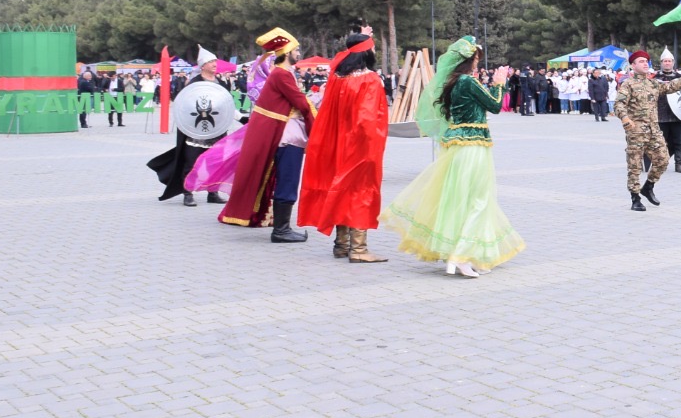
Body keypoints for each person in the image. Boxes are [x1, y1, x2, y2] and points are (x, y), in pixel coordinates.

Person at [382, 36, 524, 277]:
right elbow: (495, 105)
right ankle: (461, 255)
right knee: (478, 200)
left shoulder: (452, 82)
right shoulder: (468, 81)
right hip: (472, 147)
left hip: (459, 146)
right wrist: (500, 84)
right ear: (469, 60)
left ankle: (468, 254)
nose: (478, 62)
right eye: (476, 58)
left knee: (462, 200)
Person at [297, 28, 390, 263]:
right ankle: (359, 249)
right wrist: (373, 150)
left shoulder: (337, 78)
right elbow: (367, 120)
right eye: (373, 48)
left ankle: (341, 244)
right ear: (366, 52)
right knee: (360, 192)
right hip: (360, 146)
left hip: (338, 144)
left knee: (342, 189)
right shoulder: (369, 80)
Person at [219, 28, 316, 241]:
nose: (299, 53)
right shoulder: (282, 74)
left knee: (287, 179)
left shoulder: (282, 73)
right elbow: (301, 103)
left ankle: (281, 227)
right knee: (288, 180)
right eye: (296, 50)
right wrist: (317, 112)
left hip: (285, 133)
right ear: (287, 52)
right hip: (288, 137)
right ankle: (281, 230)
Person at [147, 47, 229, 207]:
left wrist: (241, 118)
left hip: (216, 131)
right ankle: (188, 193)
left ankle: (213, 193)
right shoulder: (194, 84)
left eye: (215, 61)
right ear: (203, 65)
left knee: (215, 163)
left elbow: (226, 105)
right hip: (195, 132)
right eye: (210, 62)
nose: (214, 64)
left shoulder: (221, 83)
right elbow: (185, 105)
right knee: (191, 164)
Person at [615, 50, 681, 209]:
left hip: (654, 130)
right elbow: (619, 104)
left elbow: (671, 87)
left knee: (663, 160)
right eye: (641, 61)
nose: (645, 64)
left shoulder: (653, 83)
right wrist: (625, 118)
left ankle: (648, 187)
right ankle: (635, 198)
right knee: (635, 166)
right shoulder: (628, 84)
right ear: (633, 65)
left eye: (646, 61)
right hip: (636, 131)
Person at [654, 48, 681, 173]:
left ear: (673, 62)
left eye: (669, 61)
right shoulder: (654, 78)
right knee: (662, 141)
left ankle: (678, 164)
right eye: (665, 61)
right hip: (661, 114)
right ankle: (660, 163)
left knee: (678, 141)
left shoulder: (680, 78)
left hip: (678, 114)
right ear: (661, 62)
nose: (667, 63)